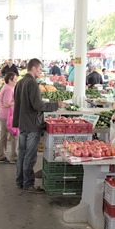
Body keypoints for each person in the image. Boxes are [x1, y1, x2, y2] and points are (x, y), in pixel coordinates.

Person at [13, 58, 66, 192]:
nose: (41, 71)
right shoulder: (33, 83)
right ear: (34, 68)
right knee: (30, 156)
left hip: (22, 123)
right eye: (40, 69)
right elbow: (38, 105)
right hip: (32, 124)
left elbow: (18, 103)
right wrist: (56, 105)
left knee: (22, 154)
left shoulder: (20, 83)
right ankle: (28, 184)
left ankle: (20, 181)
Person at [0, 71, 17, 164]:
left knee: (4, 136)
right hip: (7, 116)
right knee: (14, 135)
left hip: (3, 114)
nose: (16, 81)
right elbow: (6, 103)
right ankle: (14, 157)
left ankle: (1, 156)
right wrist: (17, 102)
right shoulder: (9, 89)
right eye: (15, 79)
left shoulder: (6, 87)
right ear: (10, 80)